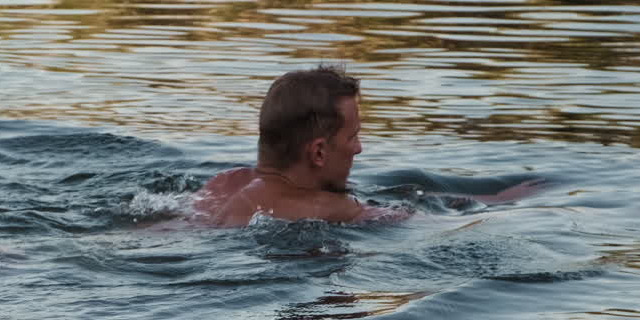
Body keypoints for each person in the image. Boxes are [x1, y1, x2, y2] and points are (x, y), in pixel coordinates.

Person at [191, 65, 541, 226]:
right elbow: (423, 222)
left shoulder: (224, 183)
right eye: (352, 136)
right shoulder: (332, 208)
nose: (359, 149)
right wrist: (502, 202)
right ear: (318, 153)